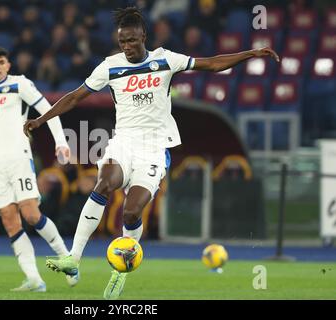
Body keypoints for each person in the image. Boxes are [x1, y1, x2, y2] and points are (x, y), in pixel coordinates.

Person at [24, 7, 280, 300]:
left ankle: (119, 273)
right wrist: (40, 120)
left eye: (132, 41)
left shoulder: (165, 59)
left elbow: (210, 64)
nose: (127, 47)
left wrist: (249, 54)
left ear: (143, 36)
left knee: (131, 211)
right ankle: (74, 258)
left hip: (154, 149)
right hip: (123, 142)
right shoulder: (110, 66)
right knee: (104, 184)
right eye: (122, 42)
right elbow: (74, 97)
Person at [0, 46, 79, 292]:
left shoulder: (19, 85)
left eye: (0, 62)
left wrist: (60, 141)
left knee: (32, 215)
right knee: (9, 221)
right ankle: (34, 279)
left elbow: (48, 110)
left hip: (18, 158)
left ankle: (68, 260)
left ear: (8, 65)